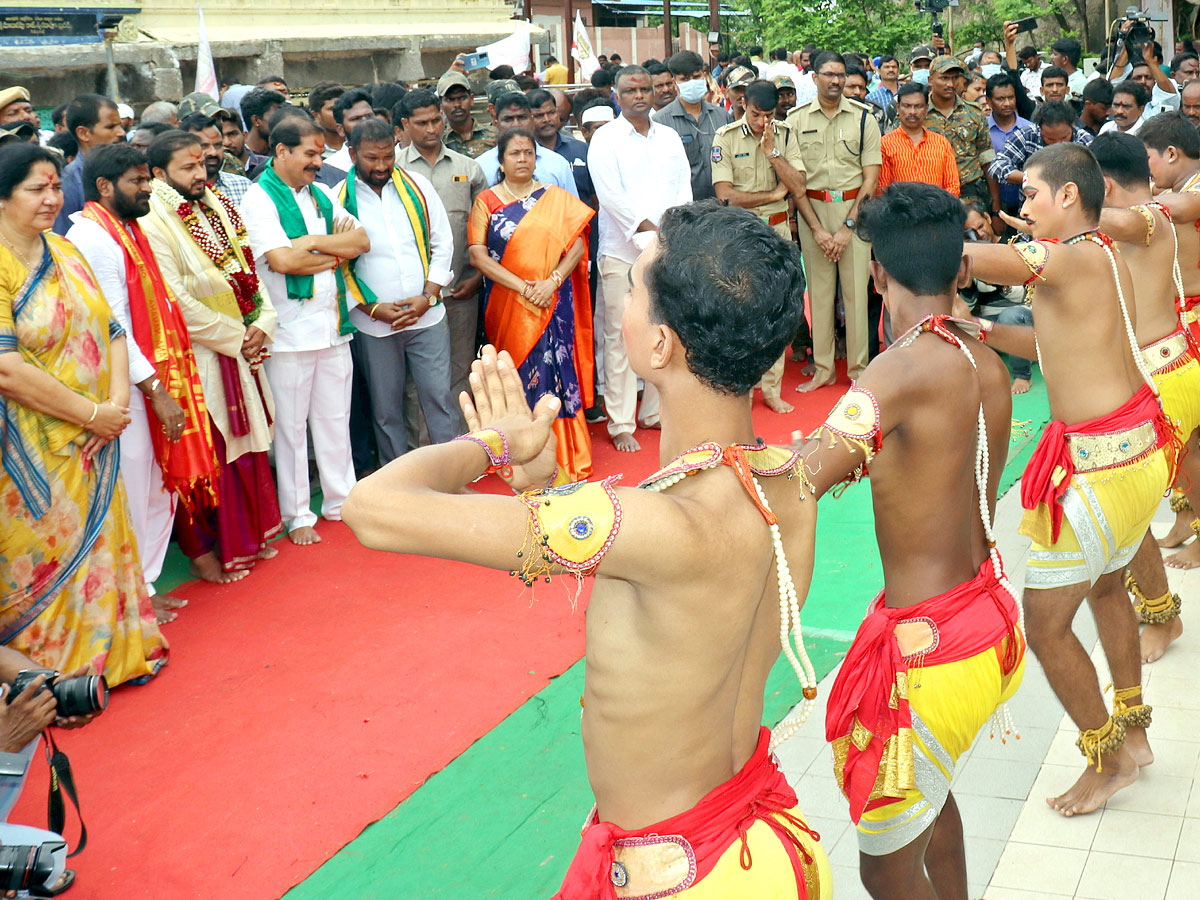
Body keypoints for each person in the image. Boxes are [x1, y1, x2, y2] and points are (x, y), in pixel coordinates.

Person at [342, 202, 830, 899]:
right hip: (765, 841)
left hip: (688, 876)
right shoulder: (786, 477)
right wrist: (544, 484)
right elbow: (653, 560)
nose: (623, 302)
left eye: (633, 288)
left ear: (660, 346)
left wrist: (491, 445)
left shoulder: (656, 521)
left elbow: (372, 511)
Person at [803, 186, 1022, 899]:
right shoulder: (983, 360)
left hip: (931, 652)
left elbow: (808, 476)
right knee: (931, 802)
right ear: (962, 271)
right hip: (984, 619)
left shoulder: (895, 370)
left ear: (877, 276)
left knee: (885, 869)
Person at [962, 143, 1173, 816]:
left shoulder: (1068, 255)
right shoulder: (1099, 256)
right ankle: (1133, 734)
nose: (1023, 208)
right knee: (1109, 590)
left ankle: (1107, 760)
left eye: (1030, 194)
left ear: (1069, 197)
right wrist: (981, 329)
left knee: (1046, 626)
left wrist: (933, 240)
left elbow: (983, 259)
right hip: (1136, 457)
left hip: (1101, 470)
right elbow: (1053, 346)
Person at [0, 143, 168, 685]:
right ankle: (51, 677)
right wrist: (91, 413)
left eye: (55, 187)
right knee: (43, 552)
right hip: (27, 447)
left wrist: (114, 408)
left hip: (96, 434)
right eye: (36, 190)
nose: (52, 199)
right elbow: (5, 368)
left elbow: (112, 328)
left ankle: (117, 657)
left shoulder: (65, 251)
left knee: (102, 543)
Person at [65, 142, 213, 621]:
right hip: (121, 388)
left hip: (149, 377)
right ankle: (132, 597)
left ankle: (145, 586)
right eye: (138, 181)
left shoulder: (128, 229)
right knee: (130, 491)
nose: (148, 188)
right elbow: (115, 324)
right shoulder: (93, 237)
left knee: (156, 488)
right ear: (105, 187)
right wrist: (155, 390)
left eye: (149, 179)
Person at [139, 130, 284, 581]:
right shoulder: (151, 219)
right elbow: (174, 298)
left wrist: (264, 323)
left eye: (202, 164)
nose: (201, 173)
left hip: (240, 344)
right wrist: (235, 336)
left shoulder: (215, 203)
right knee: (216, 450)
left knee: (249, 444)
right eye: (188, 167)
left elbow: (248, 271)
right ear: (159, 174)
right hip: (201, 356)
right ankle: (218, 550)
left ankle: (255, 537)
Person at [1087, 128, 1200, 666]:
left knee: (1128, 509)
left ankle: (1162, 614)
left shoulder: (1149, 219)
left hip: (1161, 376)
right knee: (1135, 502)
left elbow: (1130, 221)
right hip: (1161, 369)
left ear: (1102, 186)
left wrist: (1071, 210)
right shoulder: (1151, 214)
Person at [240, 116, 369, 546]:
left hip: (332, 325)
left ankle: (341, 500)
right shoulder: (259, 200)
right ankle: (298, 515)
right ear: (282, 152)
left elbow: (362, 242)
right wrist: (332, 251)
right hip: (289, 333)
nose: (318, 162)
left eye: (319, 154)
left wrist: (311, 245)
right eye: (310, 154)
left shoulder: (321, 195)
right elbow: (282, 262)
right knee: (292, 430)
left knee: (336, 420)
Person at [467, 128, 595, 481]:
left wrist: (551, 282)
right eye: (514, 153)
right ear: (501, 160)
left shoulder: (555, 197)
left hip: (554, 302)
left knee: (557, 370)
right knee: (515, 371)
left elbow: (578, 247)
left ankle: (568, 454)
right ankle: (516, 455)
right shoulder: (488, 201)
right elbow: (478, 255)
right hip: (507, 303)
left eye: (528, 153)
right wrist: (524, 287)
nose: (522, 159)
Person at [334, 118, 457, 464]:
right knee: (386, 409)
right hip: (374, 324)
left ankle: (450, 475)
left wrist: (427, 297)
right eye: (372, 159)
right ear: (353, 153)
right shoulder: (335, 200)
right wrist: (373, 309)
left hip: (428, 316)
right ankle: (399, 483)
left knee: (438, 399)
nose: (382, 166)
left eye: (388, 157)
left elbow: (442, 243)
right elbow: (338, 264)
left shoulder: (417, 186)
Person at [589, 65, 691, 452]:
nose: (639, 95)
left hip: (667, 251)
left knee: (664, 332)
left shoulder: (669, 138)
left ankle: (653, 412)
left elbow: (683, 189)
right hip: (621, 253)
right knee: (620, 336)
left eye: (645, 89)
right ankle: (620, 423)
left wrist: (671, 236)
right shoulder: (605, 139)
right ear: (616, 95)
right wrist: (652, 234)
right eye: (630, 90)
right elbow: (611, 198)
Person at [1122, 114, 1200, 572]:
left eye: (1148, 162)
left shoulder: (1188, 194)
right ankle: (1185, 516)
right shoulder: (1174, 191)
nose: (1147, 174)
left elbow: (1178, 209)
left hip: (1195, 316)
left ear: (1171, 154)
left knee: (1192, 433)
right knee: (1180, 430)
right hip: (1180, 318)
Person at [712, 79, 807, 415]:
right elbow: (726, 197)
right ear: (742, 104)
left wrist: (772, 153)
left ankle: (772, 388)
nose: (762, 122)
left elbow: (797, 185)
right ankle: (743, 388)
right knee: (740, 309)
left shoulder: (784, 135)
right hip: (741, 232)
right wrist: (772, 194)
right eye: (755, 114)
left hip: (778, 230)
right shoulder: (725, 138)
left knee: (776, 309)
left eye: (768, 115)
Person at [788, 51, 881, 392]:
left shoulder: (862, 118)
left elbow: (870, 180)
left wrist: (846, 229)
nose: (836, 81)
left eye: (840, 75)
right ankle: (824, 368)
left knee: (857, 295)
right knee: (821, 295)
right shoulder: (795, 121)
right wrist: (816, 230)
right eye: (828, 74)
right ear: (814, 78)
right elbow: (796, 184)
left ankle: (859, 372)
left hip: (854, 211)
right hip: (812, 211)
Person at [395, 89, 489, 407]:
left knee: (460, 373)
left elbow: (484, 230)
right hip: (412, 295)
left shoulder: (469, 168)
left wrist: (477, 276)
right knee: (415, 378)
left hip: (462, 290)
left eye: (436, 119)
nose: (432, 128)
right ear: (406, 125)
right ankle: (421, 452)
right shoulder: (391, 170)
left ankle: (461, 448)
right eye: (422, 122)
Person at [958, 203, 1033, 393]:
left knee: (1011, 316)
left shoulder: (1011, 245)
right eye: (971, 232)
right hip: (990, 323)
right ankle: (973, 379)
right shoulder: (970, 256)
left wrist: (998, 280)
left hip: (1022, 318)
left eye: (981, 226)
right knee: (959, 323)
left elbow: (1022, 295)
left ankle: (1022, 376)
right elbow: (969, 306)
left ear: (988, 218)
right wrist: (967, 286)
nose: (979, 234)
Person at [652, 50, 731, 203]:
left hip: (723, 207)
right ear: (675, 83)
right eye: (685, 79)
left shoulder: (722, 116)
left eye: (696, 77)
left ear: (705, 77)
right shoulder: (660, 122)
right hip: (685, 210)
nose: (692, 83)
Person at [925, 57, 998, 212]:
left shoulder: (974, 112)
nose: (950, 84)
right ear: (930, 80)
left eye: (955, 78)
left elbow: (987, 159)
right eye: (944, 78)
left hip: (970, 195)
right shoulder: (918, 113)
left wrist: (996, 206)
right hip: (931, 196)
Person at [475, 93, 578, 197]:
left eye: (522, 117)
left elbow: (572, 210)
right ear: (495, 123)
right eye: (508, 119)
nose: (516, 124)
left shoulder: (557, 164)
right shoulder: (481, 166)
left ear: (532, 120)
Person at [988, 101, 1094, 201]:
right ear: (1040, 129)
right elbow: (996, 166)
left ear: (1072, 126)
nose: (1057, 144)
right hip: (1032, 211)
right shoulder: (1028, 135)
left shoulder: (1085, 142)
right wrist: (1031, 178)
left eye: (1064, 138)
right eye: (1050, 139)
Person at [51, 94, 124, 235]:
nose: (121, 133)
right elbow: (64, 240)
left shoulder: (129, 172)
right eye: (111, 127)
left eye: (120, 125)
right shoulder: (68, 183)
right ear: (83, 133)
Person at [878, 82, 959, 195]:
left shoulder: (941, 143)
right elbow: (883, 190)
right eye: (907, 106)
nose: (912, 112)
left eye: (918, 106)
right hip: (900, 211)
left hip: (938, 210)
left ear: (926, 109)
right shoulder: (885, 144)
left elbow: (953, 186)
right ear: (898, 108)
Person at [985, 74, 1033, 219]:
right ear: (988, 101)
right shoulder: (982, 130)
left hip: (1025, 204)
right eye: (1000, 99)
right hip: (992, 205)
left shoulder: (1029, 129)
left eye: (1011, 98)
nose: (1007, 103)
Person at [181, 112, 253, 206]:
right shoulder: (176, 192)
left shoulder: (244, 187)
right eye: (203, 146)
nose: (213, 152)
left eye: (218, 145)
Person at [439, 71, 496, 160]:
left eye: (462, 98)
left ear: (471, 99)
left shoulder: (494, 135)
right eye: (450, 99)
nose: (457, 104)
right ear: (440, 105)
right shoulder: (438, 141)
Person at [322, 88, 376, 177]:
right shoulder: (329, 169)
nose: (365, 122)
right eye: (356, 119)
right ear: (340, 129)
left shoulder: (396, 161)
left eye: (369, 116)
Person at [239, 87, 286, 178]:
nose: (282, 121)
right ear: (256, 120)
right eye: (276, 116)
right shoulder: (240, 159)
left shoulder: (282, 154)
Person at [307, 80, 347, 157]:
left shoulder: (360, 145)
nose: (340, 112)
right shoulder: (310, 150)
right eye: (332, 109)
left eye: (344, 107)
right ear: (316, 115)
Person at [1050, 37, 1088, 101]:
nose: (1051, 57)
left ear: (1065, 59)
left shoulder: (1078, 84)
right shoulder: (1061, 78)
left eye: (1055, 54)